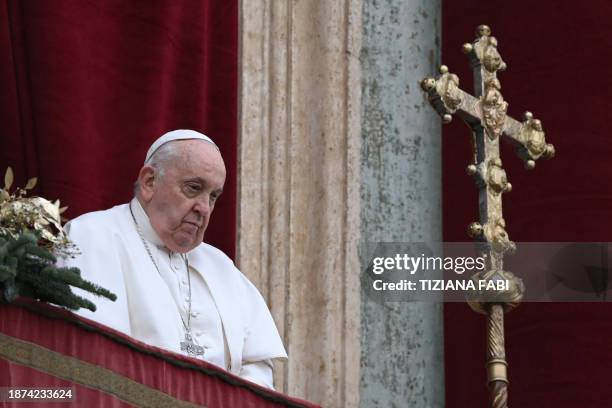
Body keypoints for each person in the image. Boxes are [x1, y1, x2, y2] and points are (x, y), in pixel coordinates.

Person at [62, 129, 287, 388]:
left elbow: (258, 367)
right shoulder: (92, 237)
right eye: (194, 188)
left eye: (213, 196)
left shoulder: (221, 267)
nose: (204, 207)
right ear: (149, 182)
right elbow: (95, 357)